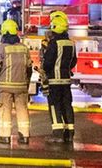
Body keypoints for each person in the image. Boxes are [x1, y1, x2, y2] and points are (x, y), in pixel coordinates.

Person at [0, 18, 31, 146]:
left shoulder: (1, 48)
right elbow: (29, 69)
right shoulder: (24, 48)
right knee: (22, 109)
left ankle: (5, 136)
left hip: (5, 86)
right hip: (21, 86)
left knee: (5, 110)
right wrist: (26, 84)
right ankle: (24, 136)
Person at [40, 10, 77, 144]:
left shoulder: (54, 43)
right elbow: (73, 61)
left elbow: (48, 62)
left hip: (54, 81)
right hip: (66, 81)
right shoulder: (71, 43)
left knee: (54, 105)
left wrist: (44, 68)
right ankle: (69, 133)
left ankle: (57, 134)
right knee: (67, 105)